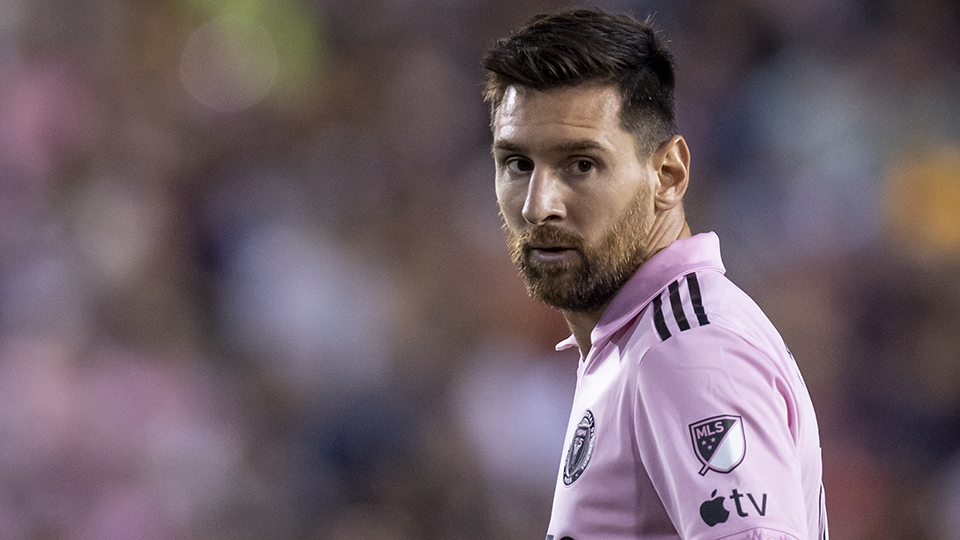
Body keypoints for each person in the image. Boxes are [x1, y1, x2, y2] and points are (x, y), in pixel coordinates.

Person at [481, 8, 828, 540]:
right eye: (518, 164)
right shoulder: (639, 341)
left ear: (668, 174)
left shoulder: (687, 349)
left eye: (581, 165)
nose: (538, 205)